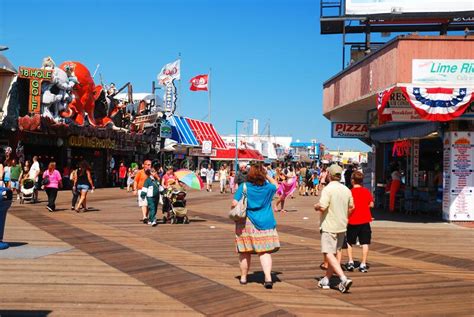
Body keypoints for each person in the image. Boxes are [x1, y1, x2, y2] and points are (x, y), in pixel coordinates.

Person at [232, 163, 280, 289]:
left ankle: (243, 278)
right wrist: (267, 175)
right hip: (265, 223)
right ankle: (268, 278)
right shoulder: (268, 188)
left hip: (247, 223)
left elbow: (234, 203)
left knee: (245, 251)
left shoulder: (244, 187)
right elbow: (276, 185)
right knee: (264, 252)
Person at [314, 164, 354, 293]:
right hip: (342, 225)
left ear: (329, 175)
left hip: (329, 225)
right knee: (335, 252)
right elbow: (352, 207)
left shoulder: (328, 189)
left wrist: (316, 206)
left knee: (328, 252)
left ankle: (343, 278)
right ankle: (327, 279)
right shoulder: (346, 189)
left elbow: (323, 206)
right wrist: (345, 216)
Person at [345, 171, 374, 273]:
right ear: (362, 181)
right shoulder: (366, 191)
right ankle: (363, 264)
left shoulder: (349, 192)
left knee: (349, 241)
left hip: (352, 220)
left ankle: (350, 261)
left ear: (352, 181)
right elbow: (371, 205)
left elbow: (347, 206)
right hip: (365, 220)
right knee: (365, 242)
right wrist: (364, 208)